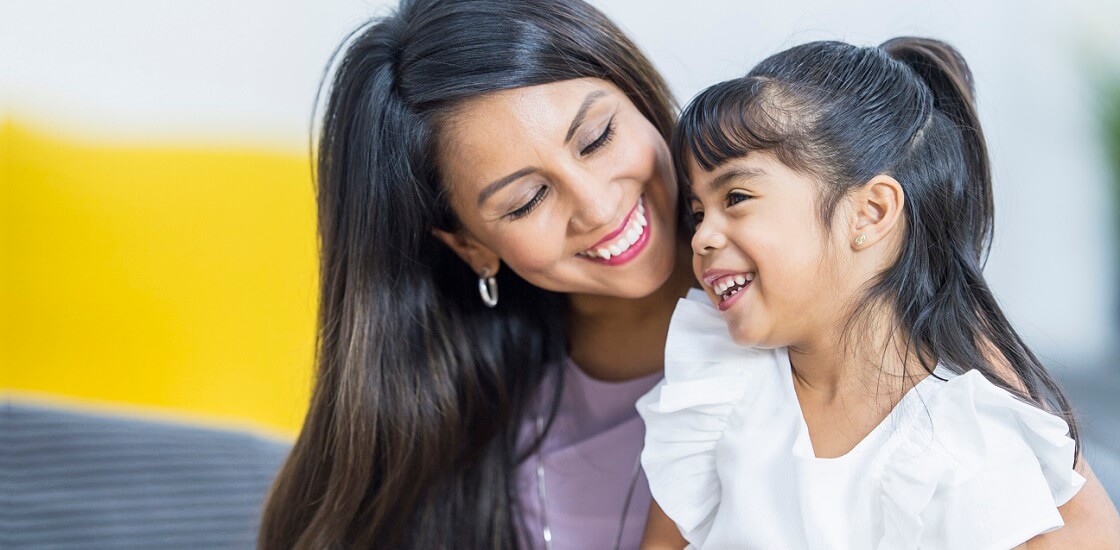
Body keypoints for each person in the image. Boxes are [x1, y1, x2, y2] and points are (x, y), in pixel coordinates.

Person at [259, 1, 1119, 547]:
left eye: (597, 137)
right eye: (525, 201)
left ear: (639, 94)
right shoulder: (471, 436)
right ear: (471, 246)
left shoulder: (851, 313)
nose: (598, 204)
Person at [637, 38, 1120, 549]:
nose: (702, 236)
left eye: (736, 197)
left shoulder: (966, 436)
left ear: (870, 213)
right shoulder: (721, 381)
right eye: (697, 212)